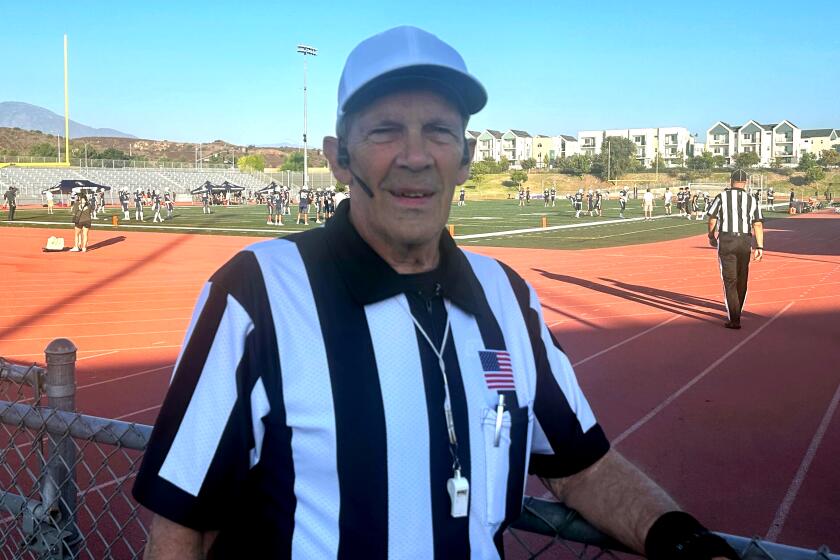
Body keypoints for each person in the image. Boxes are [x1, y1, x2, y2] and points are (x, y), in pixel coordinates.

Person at [133, 26, 738, 560]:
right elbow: (182, 528)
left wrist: (683, 541)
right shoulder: (257, 292)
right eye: (387, 130)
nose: (416, 157)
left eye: (440, 131)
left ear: (467, 157)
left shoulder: (507, 298)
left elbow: (585, 468)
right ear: (339, 158)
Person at [706, 169, 765, 330]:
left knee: (729, 280)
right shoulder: (752, 200)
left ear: (730, 180)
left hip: (727, 239)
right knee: (742, 277)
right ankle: (737, 310)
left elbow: (712, 218)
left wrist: (711, 235)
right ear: (745, 182)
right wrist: (759, 246)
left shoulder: (721, 197)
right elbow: (757, 224)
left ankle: (734, 317)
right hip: (745, 240)